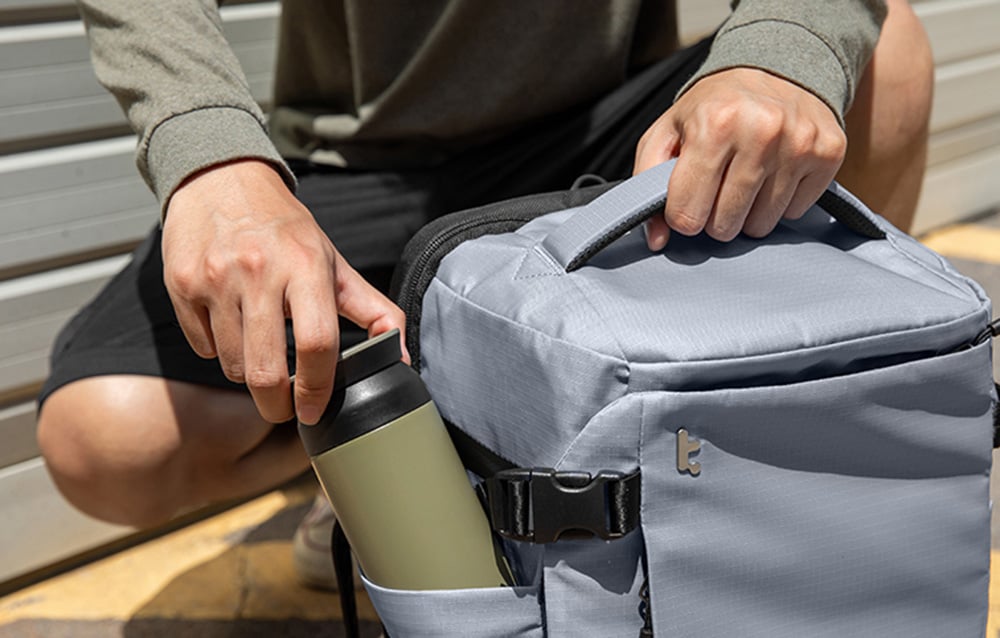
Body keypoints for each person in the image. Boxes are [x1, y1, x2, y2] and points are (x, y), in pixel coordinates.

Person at [38, 0, 932, 589]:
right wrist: (210, 153)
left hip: (605, 120)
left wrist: (782, 50)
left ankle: (788, 420)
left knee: (879, 54)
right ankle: (396, 455)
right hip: (361, 161)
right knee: (106, 438)